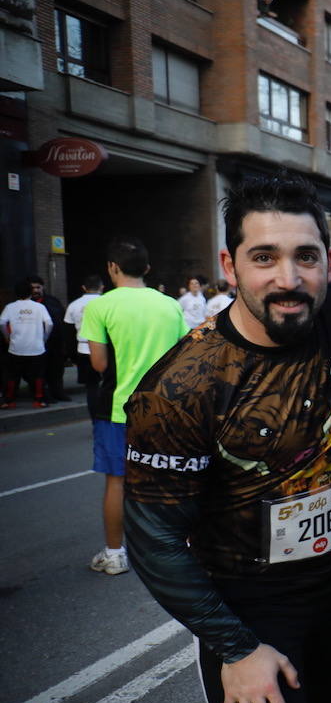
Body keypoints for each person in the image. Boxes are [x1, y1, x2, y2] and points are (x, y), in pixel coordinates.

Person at [124, 174, 331, 703]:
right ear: (230, 264)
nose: (288, 279)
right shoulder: (182, 385)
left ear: (330, 260)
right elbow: (153, 538)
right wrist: (235, 648)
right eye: (263, 257)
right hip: (249, 601)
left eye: (306, 257)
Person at [79, 238, 187, 576]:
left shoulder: (99, 306)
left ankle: (115, 554)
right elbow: (184, 356)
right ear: (147, 269)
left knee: (118, 481)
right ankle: (177, 547)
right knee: (169, 475)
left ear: (112, 268)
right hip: (165, 407)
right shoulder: (170, 304)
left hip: (118, 409)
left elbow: (98, 364)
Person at [0, 279, 53, 408]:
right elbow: (49, 323)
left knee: (13, 375)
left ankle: (9, 401)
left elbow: (2, 323)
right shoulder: (39, 307)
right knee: (38, 375)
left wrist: (7, 337)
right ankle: (39, 400)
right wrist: (44, 338)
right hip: (36, 347)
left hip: (16, 347)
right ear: (30, 292)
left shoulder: (10, 307)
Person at [64, 274, 104, 410]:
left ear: (83, 288)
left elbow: (69, 334)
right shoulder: (107, 303)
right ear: (102, 287)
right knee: (110, 384)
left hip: (83, 349)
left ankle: (95, 418)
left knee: (91, 387)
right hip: (106, 349)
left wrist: (72, 355)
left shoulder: (73, 306)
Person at [29, 276, 71, 401]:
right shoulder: (26, 304)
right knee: (39, 371)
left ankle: (58, 392)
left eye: (38, 287)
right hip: (35, 343)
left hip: (54, 343)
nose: (35, 290)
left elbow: (61, 320)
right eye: (32, 288)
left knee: (57, 370)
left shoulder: (53, 301)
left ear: (43, 287)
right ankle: (43, 395)